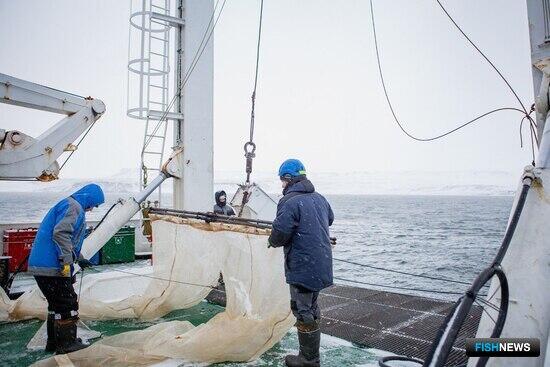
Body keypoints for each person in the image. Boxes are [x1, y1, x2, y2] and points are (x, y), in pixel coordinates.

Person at [268, 159, 334, 367]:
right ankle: (311, 356)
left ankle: (309, 360)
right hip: (321, 263)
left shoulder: (289, 201)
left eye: (282, 180)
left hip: (302, 265)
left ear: (288, 179)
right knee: (312, 307)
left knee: (302, 309)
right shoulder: (320, 198)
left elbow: (280, 234)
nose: (282, 185)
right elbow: (329, 219)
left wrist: (271, 241)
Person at [28, 183, 105, 354]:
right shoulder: (73, 206)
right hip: (51, 266)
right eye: (95, 204)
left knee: (56, 304)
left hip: (43, 265)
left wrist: (80, 259)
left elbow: (69, 241)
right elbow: (61, 234)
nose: (93, 208)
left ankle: (54, 343)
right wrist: (65, 263)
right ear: (89, 198)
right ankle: (67, 344)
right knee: (67, 303)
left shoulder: (70, 205)